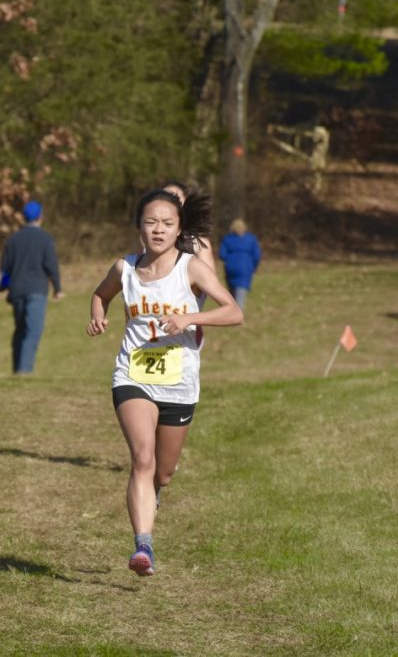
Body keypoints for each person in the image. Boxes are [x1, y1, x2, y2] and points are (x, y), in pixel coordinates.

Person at [86, 188, 243, 577]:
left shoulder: (191, 268)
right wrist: (98, 315)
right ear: (139, 226)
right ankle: (144, 546)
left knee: (163, 473)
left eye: (167, 224)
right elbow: (100, 295)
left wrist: (190, 319)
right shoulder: (124, 268)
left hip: (180, 381)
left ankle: (153, 495)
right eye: (151, 222)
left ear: (179, 230)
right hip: (133, 374)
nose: (158, 230)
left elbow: (233, 312)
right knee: (142, 457)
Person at [0, 200, 63, 374]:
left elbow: (5, 267)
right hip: (36, 290)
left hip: (17, 290)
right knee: (33, 330)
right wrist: (57, 288)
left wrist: (3, 286)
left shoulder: (13, 239)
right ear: (40, 217)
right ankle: (24, 372)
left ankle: (17, 369)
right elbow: (51, 265)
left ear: (24, 218)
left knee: (20, 330)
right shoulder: (45, 238)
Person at [218, 218, 262, 309]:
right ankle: (237, 315)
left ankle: (229, 311)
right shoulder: (251, 239)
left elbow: (222, 254)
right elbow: (257, 255)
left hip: (230, 268)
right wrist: (254, 267)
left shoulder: (227, 239)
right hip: (245, 268)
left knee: (232, 292)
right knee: (240, 293)